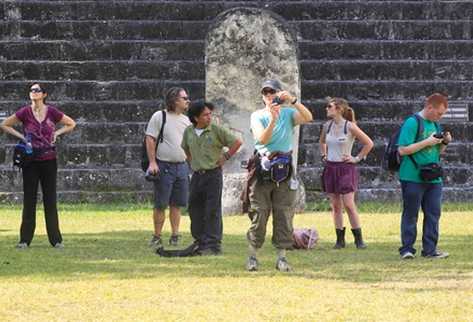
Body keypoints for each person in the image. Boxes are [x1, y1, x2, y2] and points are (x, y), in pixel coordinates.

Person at [246, 79, 313, 272]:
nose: (269, 96)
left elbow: (308, 117)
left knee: (284, 213)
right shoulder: (257, 116)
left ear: (278, 93)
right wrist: (273, 119)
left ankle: (282, 258)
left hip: (284, 168)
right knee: (260, 212)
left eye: (272, 92)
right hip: (263, 168)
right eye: (265, 93)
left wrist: (293, 101)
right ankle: (252, 256)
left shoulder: (289, 113)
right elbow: (262, 138)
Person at [0, 83, 76, 249]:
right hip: (31, 161)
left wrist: (56, 133)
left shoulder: (52, 112)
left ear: (44, 94)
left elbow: (71, 123)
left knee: (50, 199)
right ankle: (25, 240)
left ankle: (56, 240)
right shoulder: (25, 112)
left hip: (49, 160)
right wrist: (22, 136)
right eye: (31, 90)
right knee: (29, 199)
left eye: (37, 90)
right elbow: (5, 124)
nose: (33, 93)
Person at [181, 100, 242, 255]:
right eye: (205, 115)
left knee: (212, 209)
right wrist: (193, 162)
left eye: (210, 114)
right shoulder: (188, 131)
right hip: (197, 175)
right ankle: (199, 241)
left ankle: (213, 244)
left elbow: (237, 142)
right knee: (194, 208)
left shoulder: (216, 130)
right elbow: (186, 149)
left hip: (213, 175)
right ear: (195, 118)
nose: (209, 117)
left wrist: (225, 156)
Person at [397, 93, 452, 259]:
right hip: (412, 176)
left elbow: (437, 152)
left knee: (433, 213)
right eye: (439, 113)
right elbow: (402, 150)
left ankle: (430, 250)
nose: (440, 117)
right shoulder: (412, 122)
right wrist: (427, 142)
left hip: (433, 177)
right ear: (429, 107)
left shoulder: (436, 125)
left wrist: (444, 142)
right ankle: (407, 249)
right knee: (411, 213)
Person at [319, 97, 374, 250]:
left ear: (339, 109)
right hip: (330, 167)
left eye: (329, 106)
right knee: (335, 205)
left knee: (349, 204)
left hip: (345, 168)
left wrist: (356, 158)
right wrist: (324, 155)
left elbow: (369, 143)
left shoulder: (349, 126)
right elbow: (322, 142)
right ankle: (339, 240)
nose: (327, 108)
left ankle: (359, 239)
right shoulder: (326, 126)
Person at [145, 87, 191, 248]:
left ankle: (175, 234)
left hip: (182, 166)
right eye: (184, 98)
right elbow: (150, 139)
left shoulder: (186, 120)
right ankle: (157, 235)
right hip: (164, 165)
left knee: (177, 204)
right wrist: (152, 162)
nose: (187, 100)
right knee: (160, 203)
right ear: (175, 100)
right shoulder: (160, 116)